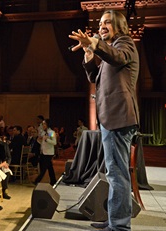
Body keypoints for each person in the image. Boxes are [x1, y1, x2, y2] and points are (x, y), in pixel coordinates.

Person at [69, 10, 139, 231]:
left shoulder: (125, 43)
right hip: (111, 119)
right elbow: (95, 77)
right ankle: (114, 221)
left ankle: (119, 226)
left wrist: (96, 45)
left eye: (107, 22)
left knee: (117, 174)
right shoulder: (110, 51)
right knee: (113, 173)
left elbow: (116, 57)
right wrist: (90, 54)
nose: (102, 26)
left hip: (119, 118)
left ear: (119, 25)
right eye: (100, 23)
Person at [34, 119, 57, 186]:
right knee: (50, 167)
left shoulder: (51, 132)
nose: (43, 125)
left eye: (44, 124)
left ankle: (37, 180)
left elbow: (54, 142)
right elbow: (42, 142)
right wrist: (39, 140)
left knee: (44, 168)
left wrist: (47, 139)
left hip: (49, 153)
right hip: (43, 152)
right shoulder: (43, 133)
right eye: (42, 124)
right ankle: (53, 181)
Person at [0, 130, 12, 199]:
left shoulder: (4, 145)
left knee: (7, 171)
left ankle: (4, 191)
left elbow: (9, 157)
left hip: (2, 164)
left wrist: (7, 163)